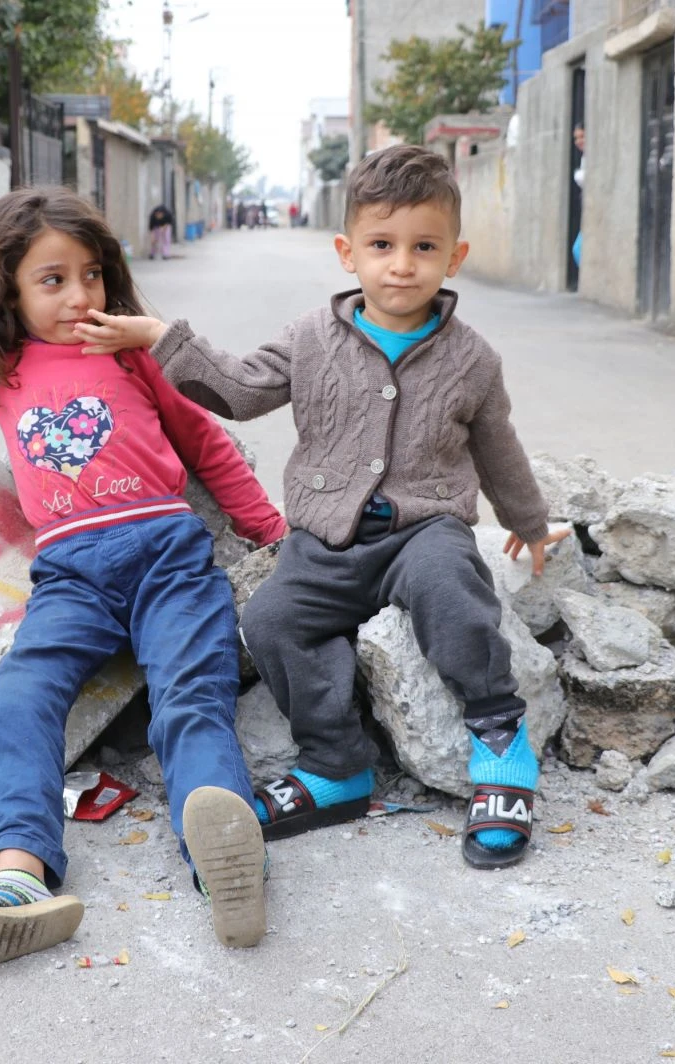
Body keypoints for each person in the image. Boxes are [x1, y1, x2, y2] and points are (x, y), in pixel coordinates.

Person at [74, 145, 570, 871]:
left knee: (455, 593)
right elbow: (239, 391)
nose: (402, 264)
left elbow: (498, 449)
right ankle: (338, 765)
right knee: (273, 620)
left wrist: (528, 523)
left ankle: (499, 739)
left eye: (423, 247)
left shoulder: (472, 360)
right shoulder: (311, 338)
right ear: (348, 252)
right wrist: (161, 338)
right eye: (381, 245)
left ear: (454, 257)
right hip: (326, 539)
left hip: (423, 527)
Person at [0, 186, 283, 973]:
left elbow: (207, 446)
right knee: (20, 695)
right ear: (7, 289)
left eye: (91, 274)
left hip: (169, 560)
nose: (80, 295)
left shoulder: (131, 351)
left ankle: (223, 853)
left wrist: (273, 532)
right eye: (53, 280)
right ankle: (19, 875)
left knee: (193, 694)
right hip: (71, 579)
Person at [571, 125, 586, 268]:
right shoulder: (584, 158)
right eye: (576, 138)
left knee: (577, 249)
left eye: (582, 136)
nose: (578, 141)